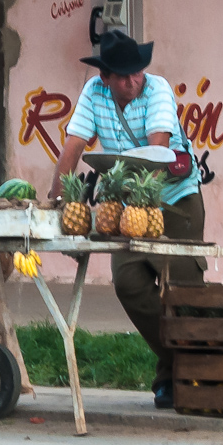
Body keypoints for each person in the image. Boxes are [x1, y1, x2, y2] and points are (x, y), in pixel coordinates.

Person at [49, 29, 204, 409]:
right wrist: (56, 199)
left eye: (137, 72)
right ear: (105, 77)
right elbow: (73, 147)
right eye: (123, 75)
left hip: (175, 198)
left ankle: (178, 377)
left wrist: (134, 203)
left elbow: (158, 150)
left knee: (182, 290)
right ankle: (178, 363)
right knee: (129, 284)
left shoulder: (158, 90)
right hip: (126, 206)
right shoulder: (93, 94)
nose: (133, 80)